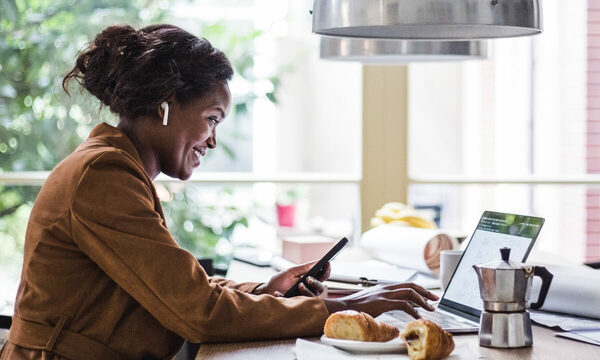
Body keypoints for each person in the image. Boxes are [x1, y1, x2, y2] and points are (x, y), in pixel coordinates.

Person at [0, 24, 438, 359]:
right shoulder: (103, 174)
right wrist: (344, 308)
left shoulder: (115, 166)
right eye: (212, 118)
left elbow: (177, 285)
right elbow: (198, 312)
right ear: (165, 104)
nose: (212, 140)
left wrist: (266, 289)